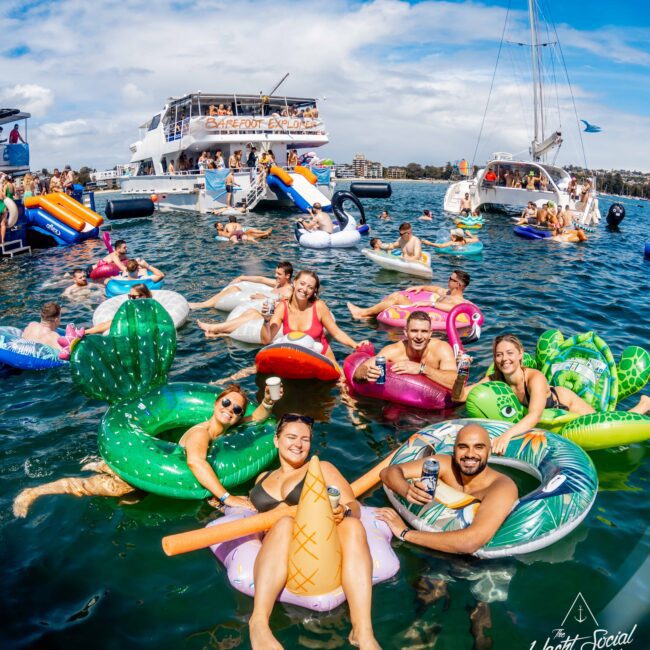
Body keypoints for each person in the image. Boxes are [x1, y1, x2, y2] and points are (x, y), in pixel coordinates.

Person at [13, 383, 282, 518]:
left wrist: (268, 402)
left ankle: (102, 463)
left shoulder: (224, 428)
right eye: (226, 402)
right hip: (153, 471)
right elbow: (196, 463)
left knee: (131, 497)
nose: (230, 410)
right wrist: (226, 498)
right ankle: (34, 491)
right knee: (112, 490)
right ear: (216, 402)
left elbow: (255, 419)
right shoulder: (202, 434)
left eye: (236, 409)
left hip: (156, 461)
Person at [245, 413, 379, 650]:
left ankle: (363, 630)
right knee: (285, 523)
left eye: (305, 439)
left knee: (352, 525)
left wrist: (344, 511)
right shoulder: (262, 477)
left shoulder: (321, 468)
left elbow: (355, 506)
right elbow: (250, 517)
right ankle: (258, 624)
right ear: (276, 440)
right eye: (291, 437)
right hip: (277, 544)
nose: (298, 444)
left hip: (316, 544)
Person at [458, 335, 650, 454]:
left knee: (609, 438)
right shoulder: (495, 378)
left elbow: (535, 415)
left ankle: (642, 406)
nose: (504, 359)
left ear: (520, 355)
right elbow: (459, 397)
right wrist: (461, 375)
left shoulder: (535, 378)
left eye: (509, 353)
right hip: (546, 414)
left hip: (567, 403)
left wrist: (506, 436)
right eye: (499, 355)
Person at [377, 423, 518, 555]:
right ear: (454, 449)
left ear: (489, 451)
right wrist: (406, 489)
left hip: (480, 562)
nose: (470, 454)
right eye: (463, 447)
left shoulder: (501, 488)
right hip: (435, 548)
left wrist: (405, 533)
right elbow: (388, 472)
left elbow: (470, 542)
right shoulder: (445, 464)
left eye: (479, 447)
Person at [261, 270, 366, 367]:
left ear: (314, 291)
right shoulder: (282, 307)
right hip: (294, 361)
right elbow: (266, 340)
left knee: (343, 384)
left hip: (322, 359)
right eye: (302, 284)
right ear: (294, 282)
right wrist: (266, 320)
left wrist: (355, 345)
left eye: (310, 287)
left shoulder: (319, 306)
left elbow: (336, 332)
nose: (305, 289)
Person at [352, 310, 458, 389]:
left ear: (430, 333)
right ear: (406, 332)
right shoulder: (394, 351)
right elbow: (360, 371)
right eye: (414, 331)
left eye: (424, 331)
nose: (419, 336)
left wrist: (422, 369)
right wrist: (366, 374)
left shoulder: (441, 349)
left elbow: (455, 382)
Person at [347, 269, 471, 320]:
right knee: (396, 295)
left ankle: (362, 313)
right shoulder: (446, 292)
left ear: (458, 285)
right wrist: (421, 287)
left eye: (451, 279)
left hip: (424, 316)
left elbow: (454, 309)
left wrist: (431, 304)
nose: (448, 280)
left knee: (399, 298)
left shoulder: (458, 301)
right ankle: (370, 315)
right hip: (421, 308)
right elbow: (433, 288)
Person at [192, 260, 292, 308]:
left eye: (279, 274)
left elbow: (285, 300)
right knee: (234, 288)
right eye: (275, 272)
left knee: (234, 290)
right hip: (259, 300)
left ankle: (203, 305)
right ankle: (205, 304)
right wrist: (241, 277)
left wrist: (265, 298)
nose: (275, 275)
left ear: (287, 276)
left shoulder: (289, 290)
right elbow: (261, 279)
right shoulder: (278, 283)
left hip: (264, 303)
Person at [85, 284, 153, 334]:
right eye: (130, 296)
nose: (131, 299)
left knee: (113, 322)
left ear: (143, 296)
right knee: (111, 322)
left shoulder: (151, 307)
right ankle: (85, 332)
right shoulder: (133, 307)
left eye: (134, 297)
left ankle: (86, 332)